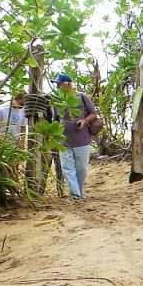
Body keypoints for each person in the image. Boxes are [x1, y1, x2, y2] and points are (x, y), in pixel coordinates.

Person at [51, 72, 98, 200]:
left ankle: (77, 193)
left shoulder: (82, 97)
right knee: (67, 169)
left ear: (68, 84)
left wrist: (85, 121)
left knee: (81, 169)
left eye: (59, 84)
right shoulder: (56, 101)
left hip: (82, 140)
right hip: (64, 141)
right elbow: (55, 120)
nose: (57, 87)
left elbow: (93, 114)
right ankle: (76, 196)